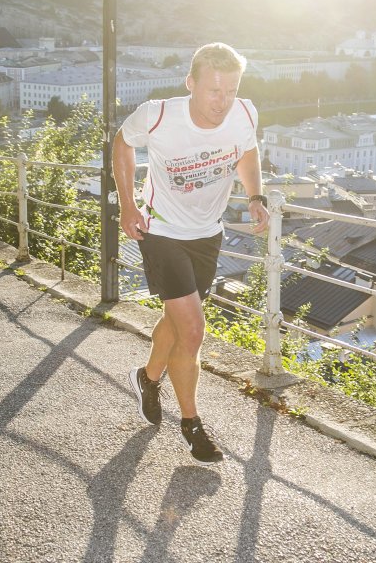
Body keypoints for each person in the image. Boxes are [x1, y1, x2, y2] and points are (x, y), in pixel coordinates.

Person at [113, 42, 270, 464]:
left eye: (231, 91)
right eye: (214, 91)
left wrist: (256, 195)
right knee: (194, 331)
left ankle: (147, 378)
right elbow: (122, 143)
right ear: (191, 84)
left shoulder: (245, 113)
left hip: (207, 233)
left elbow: (248, 150)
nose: (222, 102)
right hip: (161, 230)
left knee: (176, 320)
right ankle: (192, 427)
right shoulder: (159, 114)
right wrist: (127, 203)